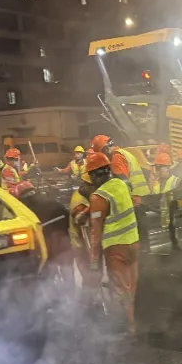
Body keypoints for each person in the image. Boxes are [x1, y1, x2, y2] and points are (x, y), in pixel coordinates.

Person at [85, 151, 140, 333]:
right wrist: (88, 211)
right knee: (130, 286)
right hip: (133, 242)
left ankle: (126, 328)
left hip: (116, 249)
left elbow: (96, 232)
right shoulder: (122, 185)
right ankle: (132, 322)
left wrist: (94, 260)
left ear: (94, 175)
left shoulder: (97, 197)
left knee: (120, 290)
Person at [92, 133, 151, 251]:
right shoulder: (124, 152)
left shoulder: (116, 158)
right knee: (141, 228)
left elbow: (122, 182)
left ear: (105, 149)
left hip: (133, 198)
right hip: (139, 195)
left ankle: (141, 253)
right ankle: (145, 251)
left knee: (135, 229)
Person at [69, 171, 100, 288]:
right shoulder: (79, 202)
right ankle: (89, 298)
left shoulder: (86, 195)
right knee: (90, 278)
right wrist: (101, 213)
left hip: (87, 244)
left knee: (93, 278)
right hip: (81, 246)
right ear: (87, 185)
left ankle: (90, 296)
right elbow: (84, 221)